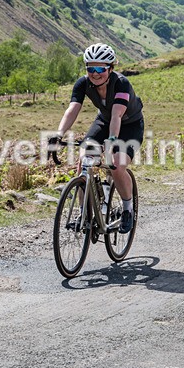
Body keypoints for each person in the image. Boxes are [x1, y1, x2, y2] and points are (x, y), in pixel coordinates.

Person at [51, 44, 143, 232]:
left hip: (129, 125)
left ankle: (127, 210)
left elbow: (117, 116)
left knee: (116, 165)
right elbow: (72, 110)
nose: (95, 73)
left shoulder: (122, 84)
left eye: (100, 68)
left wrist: (110, 142)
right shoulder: (83, 83)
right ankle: (84, 213)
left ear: (110, 68)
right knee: (84, 159)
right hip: (104, 120)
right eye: (90, 68)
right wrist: (58, 134)